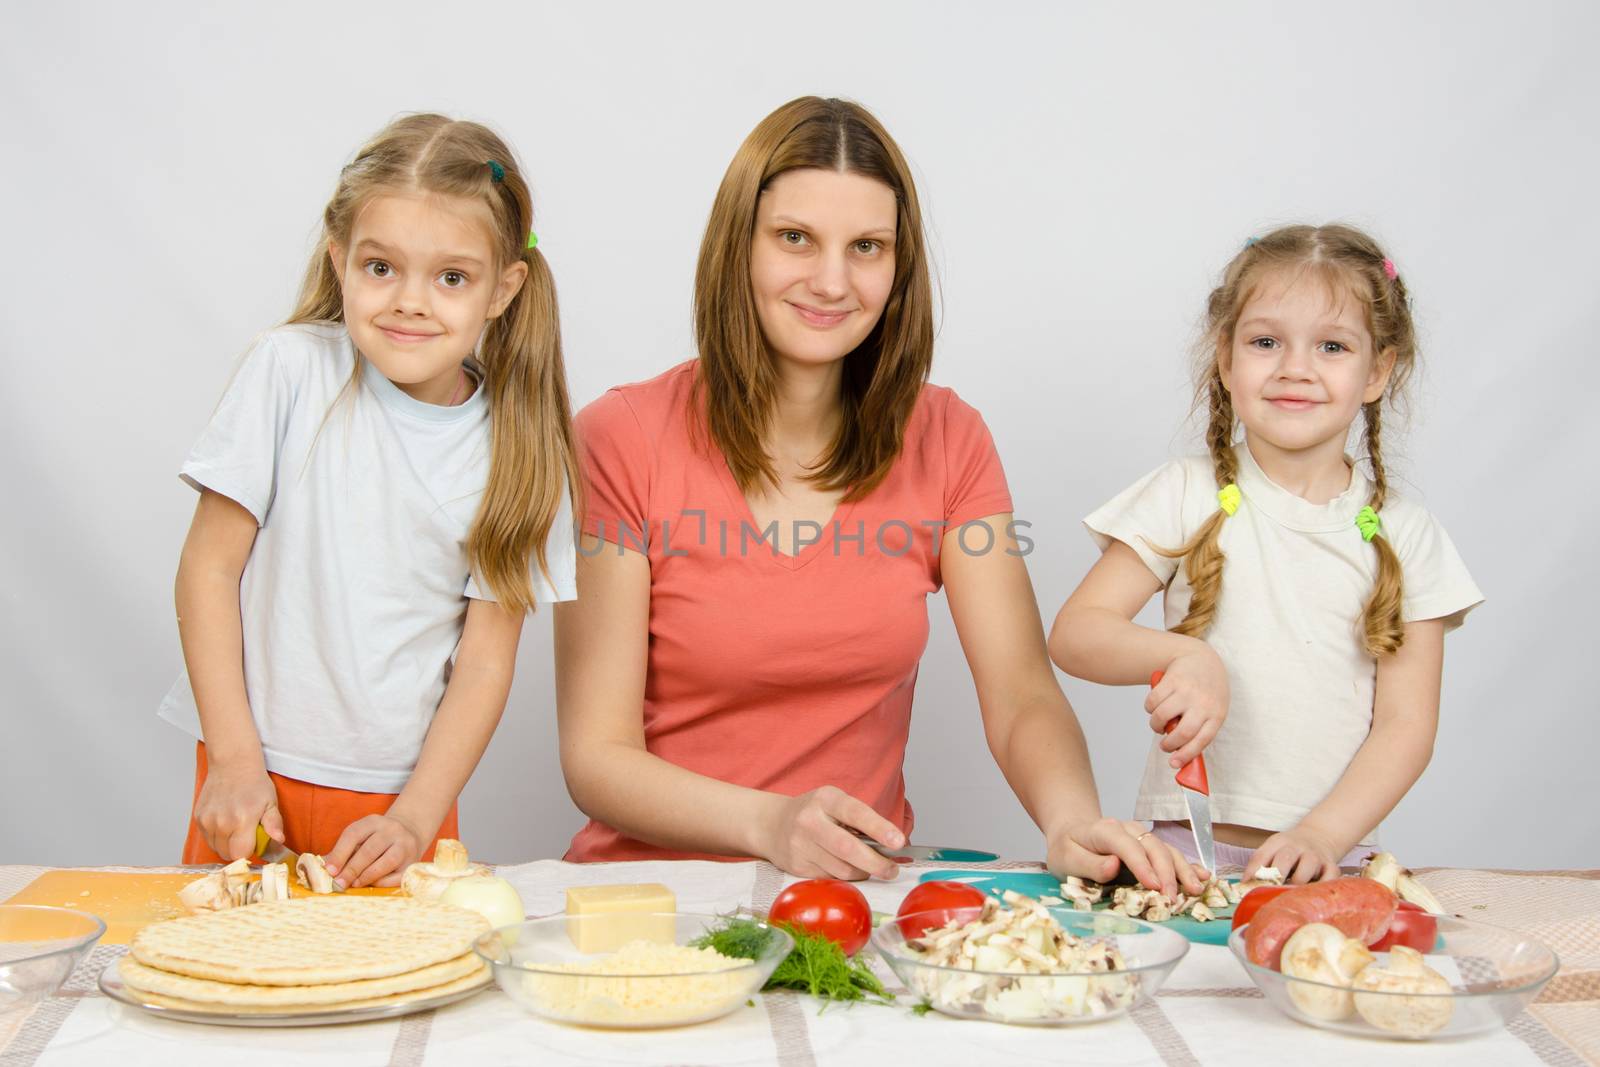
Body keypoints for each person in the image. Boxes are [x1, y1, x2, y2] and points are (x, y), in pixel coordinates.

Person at [555, 97, 1202, 895]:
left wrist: (1070, 818)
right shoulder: (620, 438)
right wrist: (769, 823)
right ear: (739, 247)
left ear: (899, 269)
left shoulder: (949, 438)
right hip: (649, 901)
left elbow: (1021, 693)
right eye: (795, 238)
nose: (831, 281)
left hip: (850, 901)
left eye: (866, 247)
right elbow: (597, 755)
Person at [158, 114, 577, 887]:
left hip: (400, 806)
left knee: (393, 994)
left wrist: (416, 815)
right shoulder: (287, 372)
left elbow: (484, 663)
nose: (410, 302)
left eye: (451, 277)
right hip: (253, 780)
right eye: (382, 267)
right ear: (339, 257)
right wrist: (233, 757)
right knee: (232, 981)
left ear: (502, 289)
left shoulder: (519, 451)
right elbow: (207, 571)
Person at [1050, 224, 1481, 882]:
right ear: (1226, 360)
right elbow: (1076, 633)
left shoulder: (1408, 534)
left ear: (1378, 370)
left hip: (1330, 861)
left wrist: (1323, 833)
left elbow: (1406, 725)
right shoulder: (1186, 493)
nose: (1295, 368)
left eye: (1332, 345)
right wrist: (1184, 653)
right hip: (1181, 854)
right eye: (1265, 341)